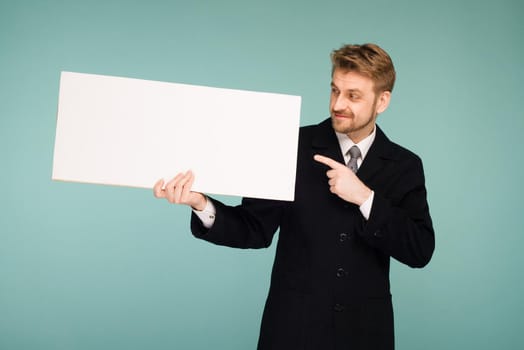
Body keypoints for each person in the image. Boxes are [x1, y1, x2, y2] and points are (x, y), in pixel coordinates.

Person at [153, 43, 435, 350]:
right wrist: (200, 203)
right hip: (292, 329)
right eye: (334, 90)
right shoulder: (290, 146)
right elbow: (253, 228)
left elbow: (419, 250)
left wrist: (365, 198)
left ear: (382, 101)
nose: (338, 103)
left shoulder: (405, 166)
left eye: (353, 95)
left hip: (365, 333)